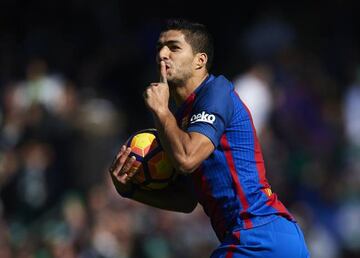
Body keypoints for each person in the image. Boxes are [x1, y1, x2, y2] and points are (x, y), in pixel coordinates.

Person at [109, 19, 310, 258]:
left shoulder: (215, 91)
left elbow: (187, 158)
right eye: (159, 48)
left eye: (173, 47)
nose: (162, 54)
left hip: (257, 235)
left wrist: (161, 111)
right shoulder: (181, 120)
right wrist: (130, 192)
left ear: (199, 60)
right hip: (270, 237)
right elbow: (186, 201)